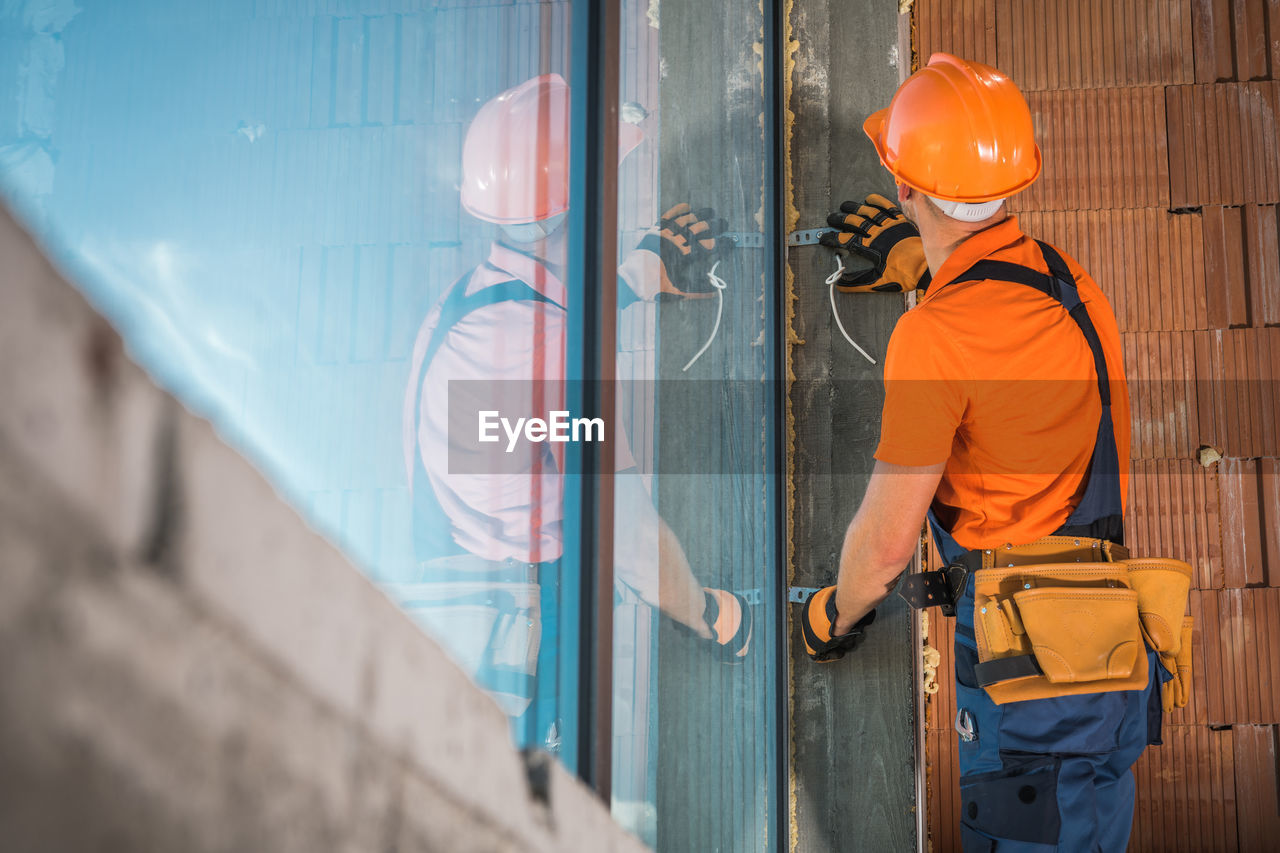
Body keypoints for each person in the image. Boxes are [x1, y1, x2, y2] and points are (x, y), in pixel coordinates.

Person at [798, 53, 1169, 851]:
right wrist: (924, 266)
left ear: (905, 188)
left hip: (1028, 675)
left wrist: (832, 614)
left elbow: (885, 547)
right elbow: (1010, 379)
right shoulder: (1071, 284)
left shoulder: (936, 337)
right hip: (1103, 649)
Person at [400, 73, 751, 748]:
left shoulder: (463, 303)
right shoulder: (557, 348)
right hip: (534, 623)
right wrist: (714, 617)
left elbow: (535, 358)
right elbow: (624, 533)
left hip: (465, 583)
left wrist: (630, 281)